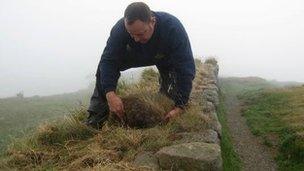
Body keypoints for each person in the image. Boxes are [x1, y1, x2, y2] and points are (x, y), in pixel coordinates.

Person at [85, 2, 196, 128]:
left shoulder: (172, 28)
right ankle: (96, 119)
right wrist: (110, 94)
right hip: (133, 55)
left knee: (171, 99)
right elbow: (108, 61)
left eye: (140, 34)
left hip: (164, 56)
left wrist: (180, 106)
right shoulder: (120, 29)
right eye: (131, 34)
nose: (136, 39)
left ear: (152, 22)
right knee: (104, 69)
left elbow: (185, 67)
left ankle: (171, 106)